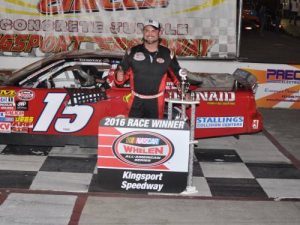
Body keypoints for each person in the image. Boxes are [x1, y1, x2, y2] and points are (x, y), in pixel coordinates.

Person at [115, 19, 182, 119]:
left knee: (154, 133)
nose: (150, 34)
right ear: (143, 33)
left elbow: (178, 75)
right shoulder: (132, 52)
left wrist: (186, 93)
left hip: (156, 103)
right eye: (147, 30)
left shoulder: (168, 54)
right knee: (133, 132)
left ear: (159, 32)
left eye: (153, 31)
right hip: (135, 102)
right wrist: (119, 76)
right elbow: (121, 74)